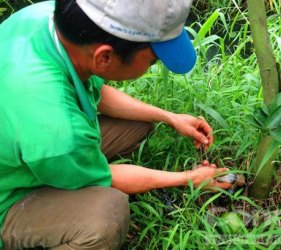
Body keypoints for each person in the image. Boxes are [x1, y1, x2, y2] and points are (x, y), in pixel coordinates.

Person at [0, 0, 232, 249]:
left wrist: (170, 117)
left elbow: (100, 94)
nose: (152, 67)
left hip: (26, 145)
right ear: (104, 57)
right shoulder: (58, 129)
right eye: (152, 61)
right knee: (107, 214)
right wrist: (189, 178)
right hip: (9, 194)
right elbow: (107, 178)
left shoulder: (47, 17)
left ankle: (64, 168)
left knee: (138, 123)